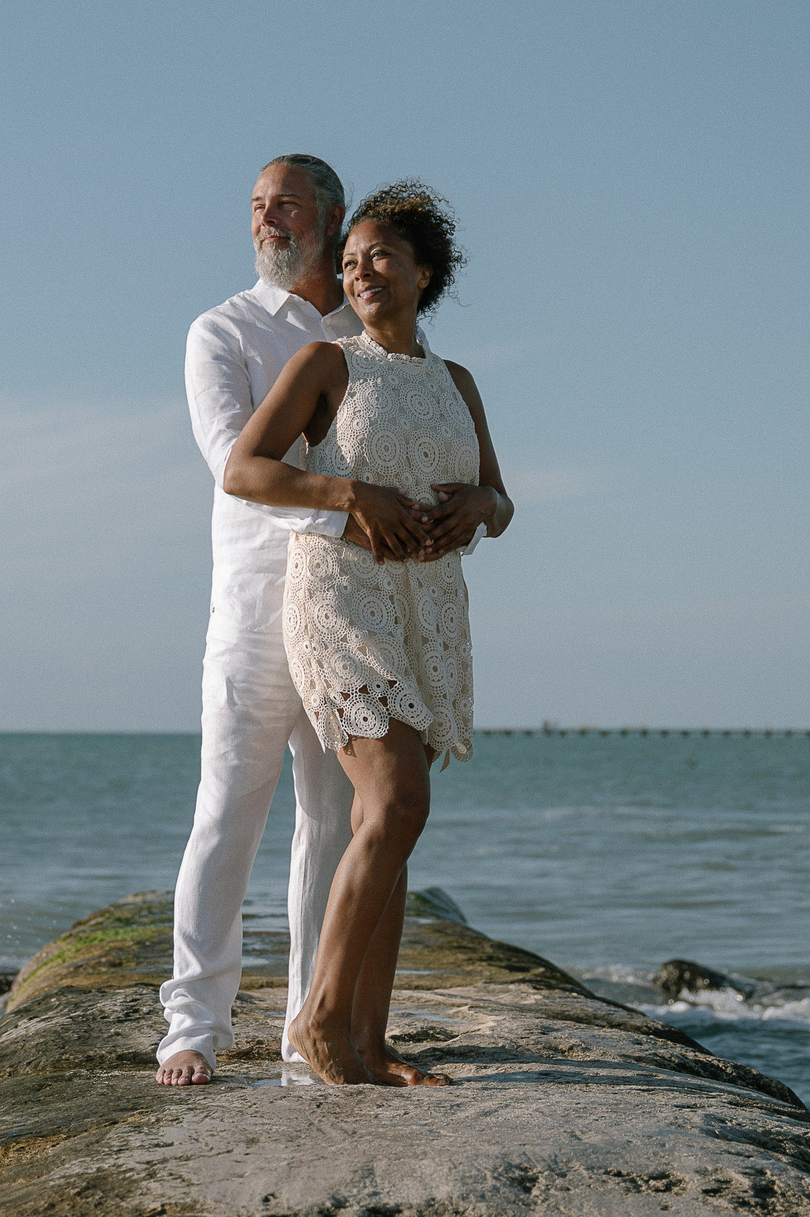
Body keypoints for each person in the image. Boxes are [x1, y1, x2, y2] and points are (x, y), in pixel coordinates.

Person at [223, 181, 512, 1085]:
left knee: (391, 820)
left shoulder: (456, 382)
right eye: (349, 263)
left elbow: (503, 500)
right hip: (342, 601)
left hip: (430, 609)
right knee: (396, 804)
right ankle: (319, 1017)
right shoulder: (324, 363)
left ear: (426, 269)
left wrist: (480, 505)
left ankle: (368, 1041)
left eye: (381, 256)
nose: (361, 272)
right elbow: (245, 470)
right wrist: (350, 493)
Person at [157, 154, 417, 1087]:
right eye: (258, 208)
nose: (269, 221)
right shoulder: (220, 329)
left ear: (332, 215)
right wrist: (350, 504)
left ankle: (311, 1027)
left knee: (332, 818)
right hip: (254, 605)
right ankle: (192, 1023)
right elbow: (235, 456)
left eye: (288, 206)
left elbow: (411, 439)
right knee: (227, 809)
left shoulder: (368, 333)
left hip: (349, 609)